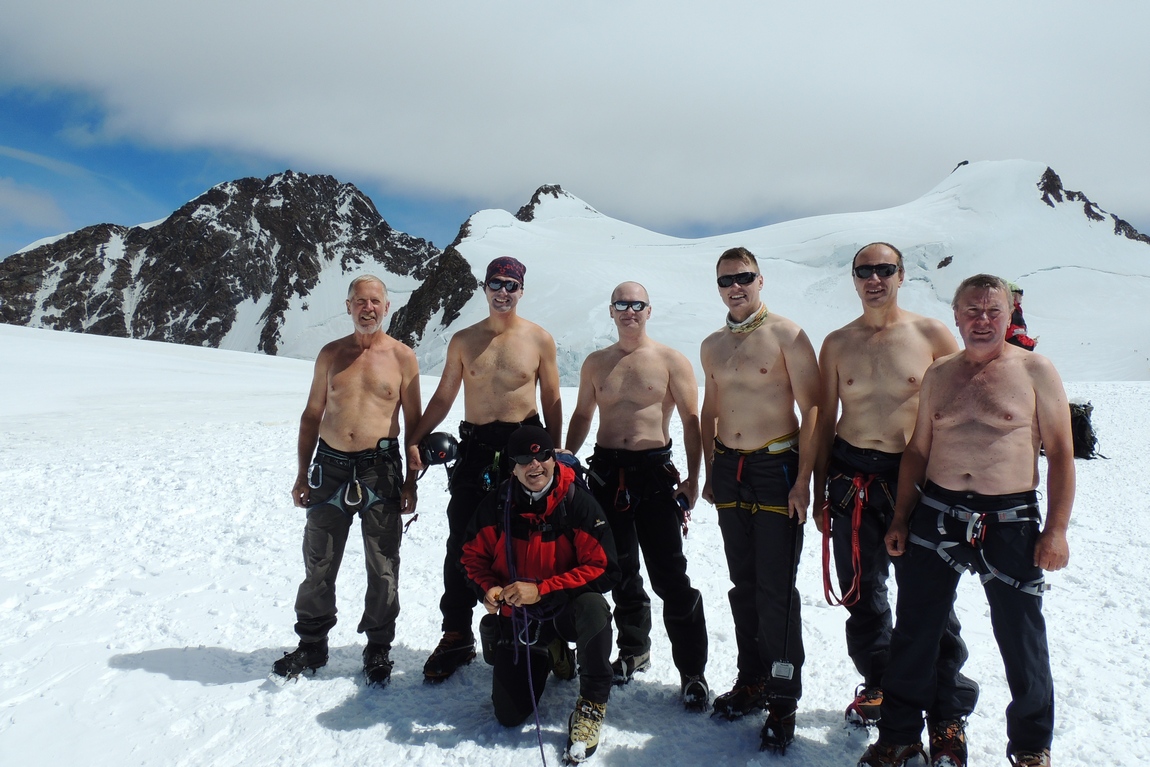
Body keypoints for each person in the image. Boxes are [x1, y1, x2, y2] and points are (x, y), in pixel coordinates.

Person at [858, 274, 1074, 767]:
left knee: (1021, 635)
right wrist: (901, 517)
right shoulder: (939, 373)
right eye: (972, 311)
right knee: (915, 632)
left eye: (993, 311)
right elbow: (918, 450)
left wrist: (1056, 530)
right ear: (955, 315)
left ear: (1008, 315)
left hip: (1010, 518)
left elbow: (1061, 453)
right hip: (938, 514)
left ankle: (1031, 747)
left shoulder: (1035, 370)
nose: (982, 320)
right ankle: (898, 736)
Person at [813, 243, 975, 743]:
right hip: (850, 477)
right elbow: (824, 419)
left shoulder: (930, 335)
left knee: (929, 596)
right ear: (854, 278)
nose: (874, 278)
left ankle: (946, 706)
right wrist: (818, 489)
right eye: (865, 270)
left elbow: (960, 407)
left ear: (902, 276)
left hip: (915, 476)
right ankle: (880, 683)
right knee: (861, 591)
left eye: (885, 269)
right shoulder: (837, 343)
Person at [409, 256, 563, 682]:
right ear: (485, 287)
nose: (503, 291)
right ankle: (457, 633)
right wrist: (415, 437)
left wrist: (557, 451)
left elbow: (551, 398)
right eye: (496, 283)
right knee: (462, 540)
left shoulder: (538, 339)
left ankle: (540, 629)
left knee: (532, 539)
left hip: (525, 449)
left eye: (511, 284)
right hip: (476, 449)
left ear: (521, 290)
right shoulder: (464, 340)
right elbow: (444, 395)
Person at [565, 281, 710, 710]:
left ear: (649, 310)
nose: (629, 311)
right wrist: (565, 459)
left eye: (637, 304)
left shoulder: (670, 360)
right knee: (619, 569)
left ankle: (692, 672)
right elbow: (582, 414)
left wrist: (694, 478)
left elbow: (692, 420)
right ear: (611, 311)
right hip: (606, 473)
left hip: (653, 475)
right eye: (621, 304)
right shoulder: (596, 363)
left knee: (670, 575)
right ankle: (634, 650)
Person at [273, 275, 422, 687]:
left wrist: (410, 482)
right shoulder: (331, 354)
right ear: (348, 305)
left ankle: (378, 647)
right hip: (330, 466)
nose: (367, 308)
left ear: (387, 307)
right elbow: (311, 415)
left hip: (381, 468)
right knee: (318, 560)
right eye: (360, 301)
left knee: (383, 564)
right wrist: (301, 473)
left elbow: (414, 425)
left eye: (374, 301)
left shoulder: (402, 357)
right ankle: (312, 644)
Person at [699, 247, 820, 752]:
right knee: (743, 584)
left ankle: (782, 699)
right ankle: (751, 680)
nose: (736, 287)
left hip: (776, 468)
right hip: (730, 469)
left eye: (744, 277)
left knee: (775, 590)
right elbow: (710, 409)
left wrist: (804, 480)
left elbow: (815, 409)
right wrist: (710, 469)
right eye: (726, 280)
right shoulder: (712, 345)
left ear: (760, 280)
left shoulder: (787, 335)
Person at [460, 425, 619, 763]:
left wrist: (543, 590)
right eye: (524, 459)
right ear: (512, 467)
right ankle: (552, 651)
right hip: (521, 617)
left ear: (552, 458)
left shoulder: (576, 503)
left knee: (593, 607)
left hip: (565, 609)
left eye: (542, 456)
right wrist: (487, 586)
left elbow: (604, 569)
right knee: (508, 714)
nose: (535, 465)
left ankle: (592, 703)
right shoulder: (498, 504)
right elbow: (471, 556)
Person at [1005, 282, 1037, 350]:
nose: (1021, 296)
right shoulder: (1012, 312)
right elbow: (1015, 337)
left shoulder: (1006, 310)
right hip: (1011, 351)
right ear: (1012, 295)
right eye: (1019, 293)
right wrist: (1031, 343)